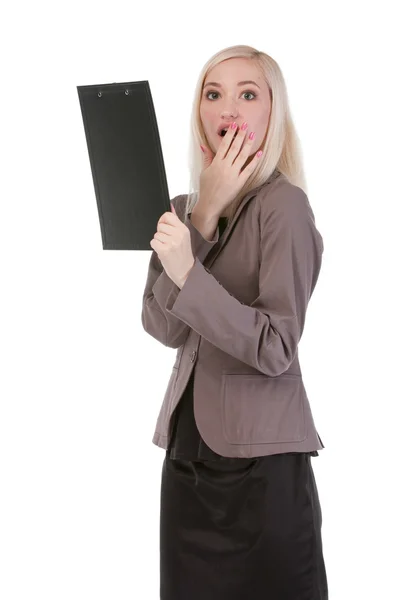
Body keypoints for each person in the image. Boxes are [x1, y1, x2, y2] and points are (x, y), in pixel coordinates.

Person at [141, 44, 328, 600]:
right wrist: (201, 219)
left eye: (248, 94)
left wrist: (187, 273)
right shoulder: (181, 210)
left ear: (273, 113)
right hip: (186, 461)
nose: (229, 109)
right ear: (199, 111)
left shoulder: (285, 207)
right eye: (214, 93)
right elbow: (161, 325)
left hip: (263, 471)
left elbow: (276, 346)